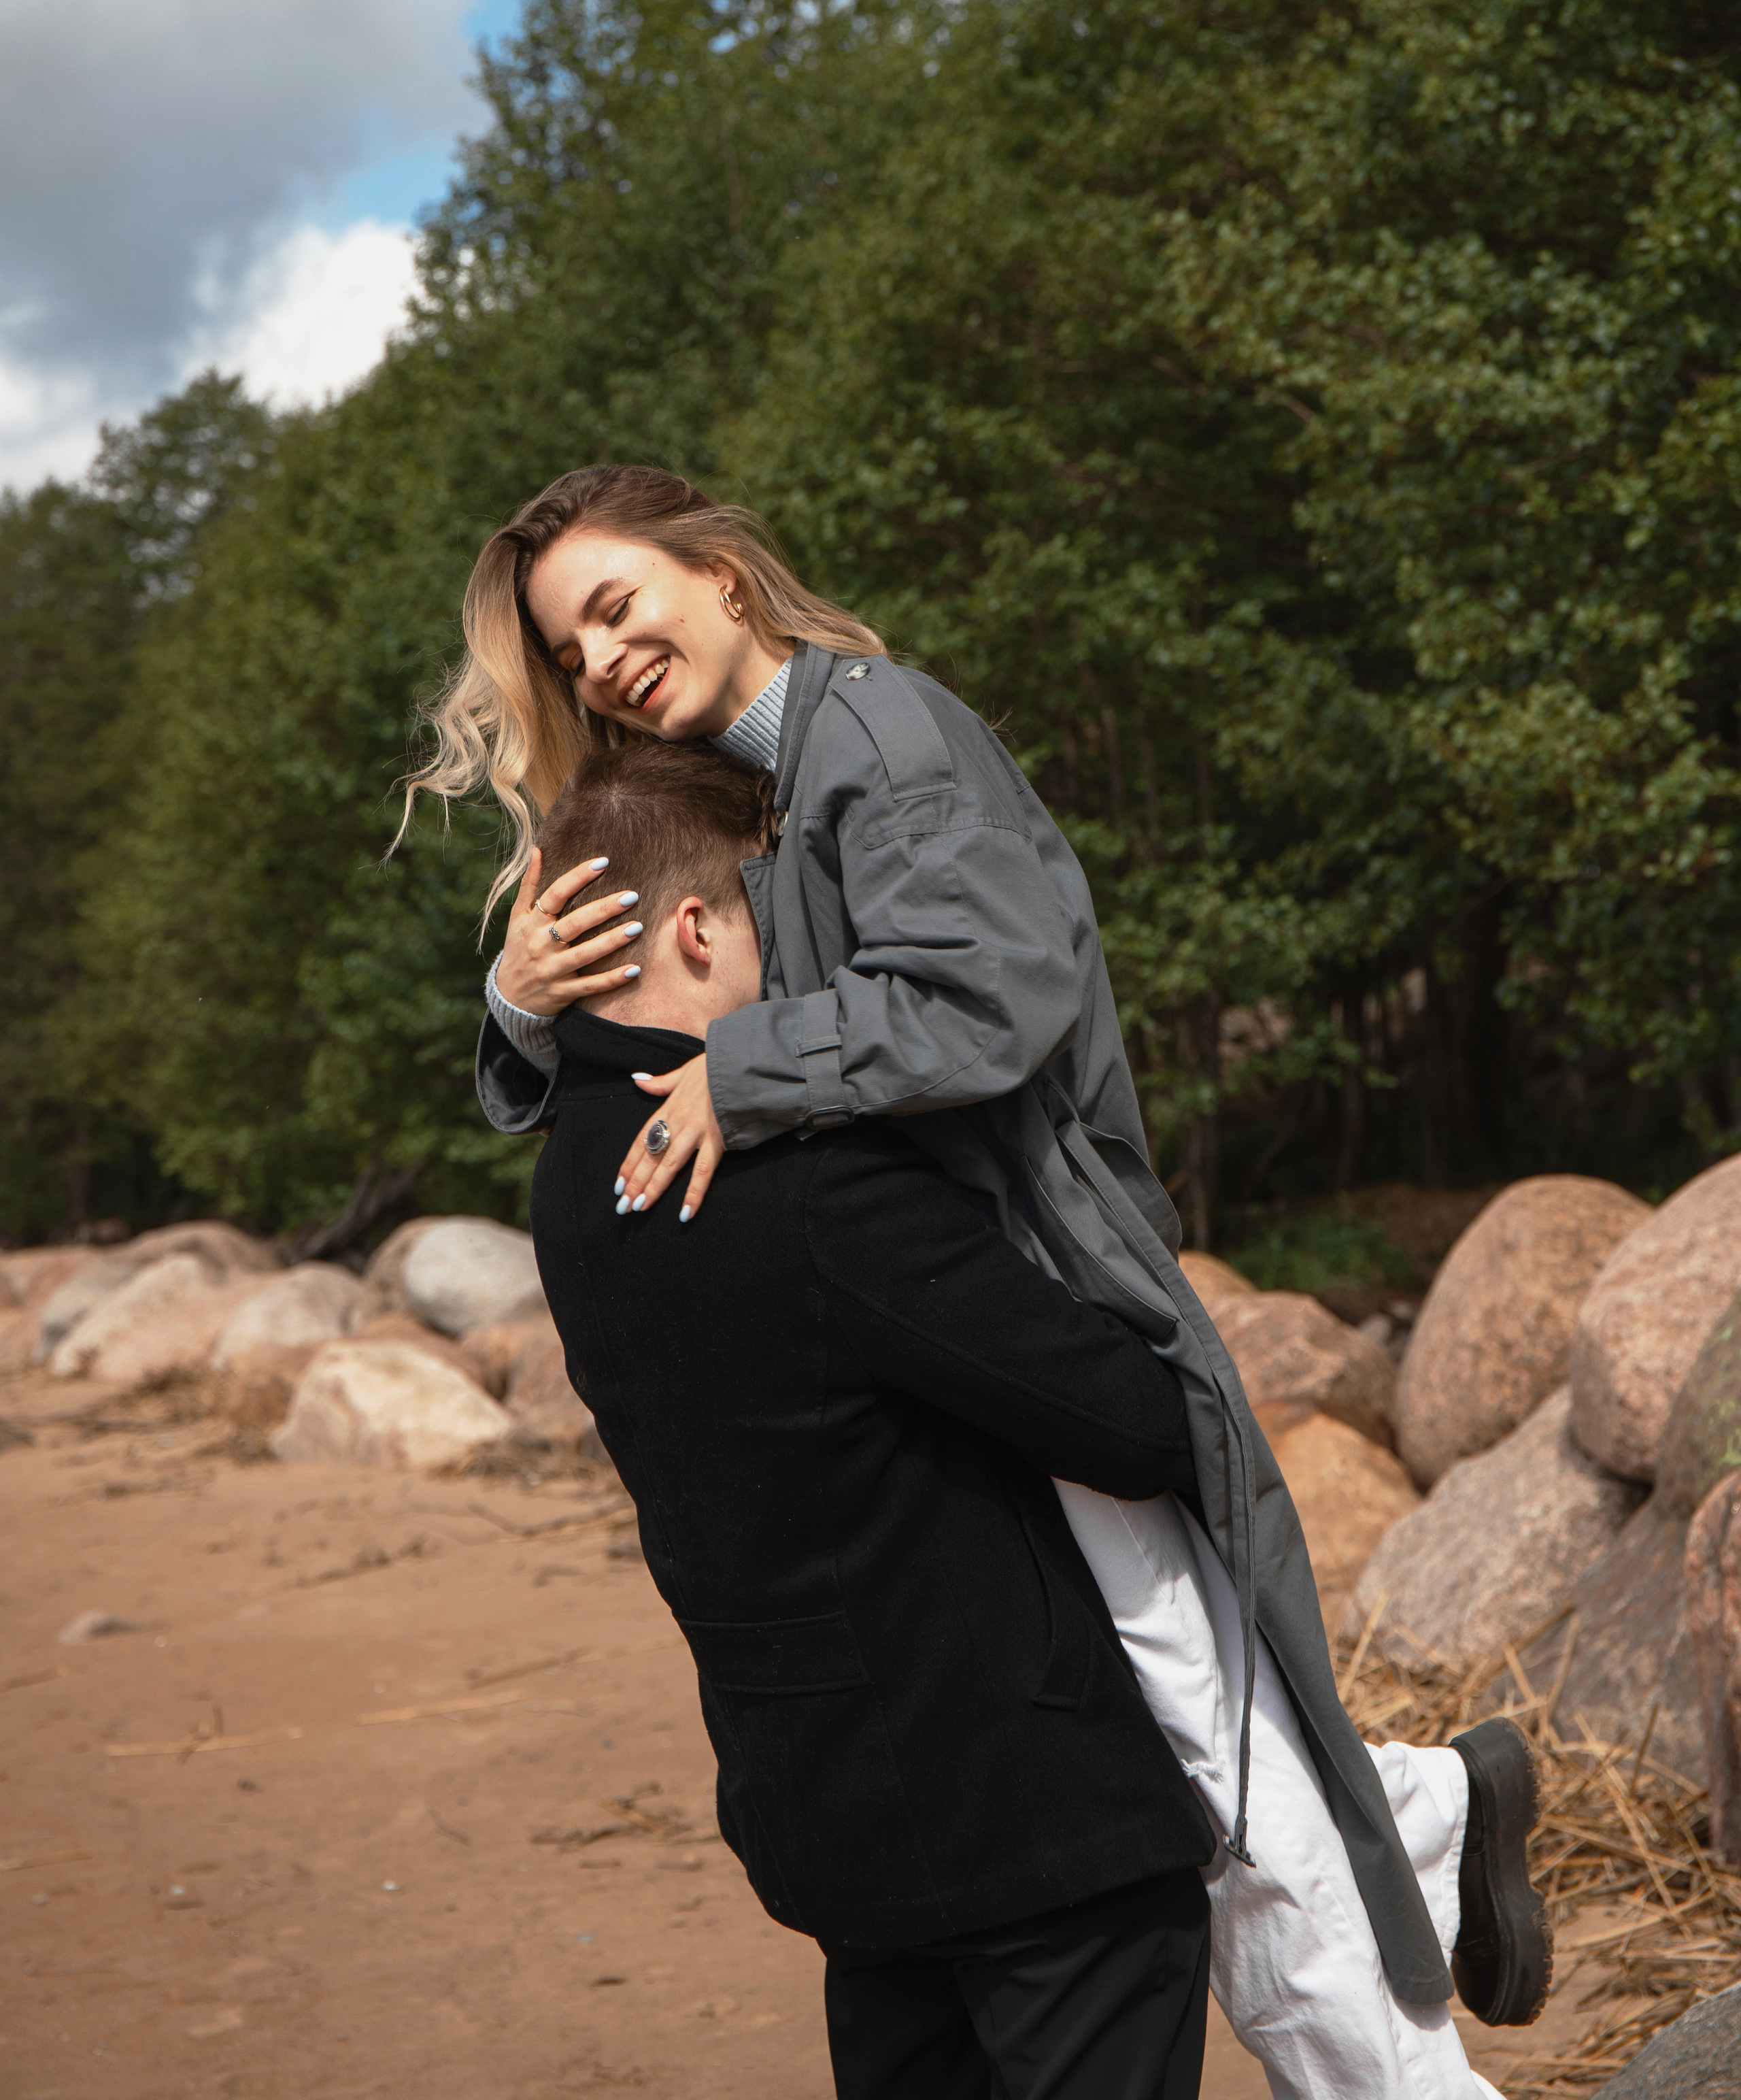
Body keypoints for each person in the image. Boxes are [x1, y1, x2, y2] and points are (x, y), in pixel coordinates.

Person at [403, 463, 1549, 2100]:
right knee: (1200, 1741)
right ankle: (1428, 1807)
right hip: (940, 1328)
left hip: (1032, 1286)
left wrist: (748, 1066)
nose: (597, 663)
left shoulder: (880, 739)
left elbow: (988, 997)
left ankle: (1413, 1907)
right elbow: (635, 1029)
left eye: (613, 606)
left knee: (1230, 1801)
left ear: (718, 572)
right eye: (568, 650)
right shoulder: (750, 779)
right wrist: (521, 1003)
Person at [528, 736, 1219, 2100]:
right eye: (768, 910)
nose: (798, 955)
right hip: (1027, 1816)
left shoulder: (567, 1173)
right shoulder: (803, 1185)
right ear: (694, 928)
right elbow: (1132, 1423)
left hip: (822, 1810)